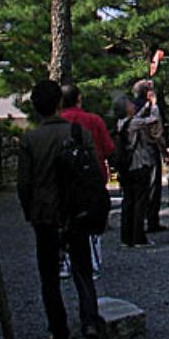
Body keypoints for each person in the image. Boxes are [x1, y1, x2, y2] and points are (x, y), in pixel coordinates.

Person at [18, 79, 103, 339]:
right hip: (76, 211)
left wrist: (29, 211)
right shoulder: (78, 133)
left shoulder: (31, 139)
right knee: (82, 269)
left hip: (45, 213)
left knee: (49, 276)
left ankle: (59, 330)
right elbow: (96, 175)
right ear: (59, 103)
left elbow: (24, 183)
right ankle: (89, 323)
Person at [57, 82, 113, 277]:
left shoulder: (56, 122)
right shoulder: (93, 120)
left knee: (64, 221)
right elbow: (108, 148)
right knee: (92, 223)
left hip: (62, 180)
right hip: (92, 178)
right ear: (79, 99)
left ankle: (65, 262)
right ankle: (92, 264)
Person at [117, 80, 163, 248]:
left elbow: (138, 116)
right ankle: (138, 236)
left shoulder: (122, 123)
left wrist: (146, 104)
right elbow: (153, 120)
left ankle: (126, 236)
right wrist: (155, 104)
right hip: (138, 163)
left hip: (125, 167)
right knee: (140, 201)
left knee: (128, 201)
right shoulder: (135, 124)